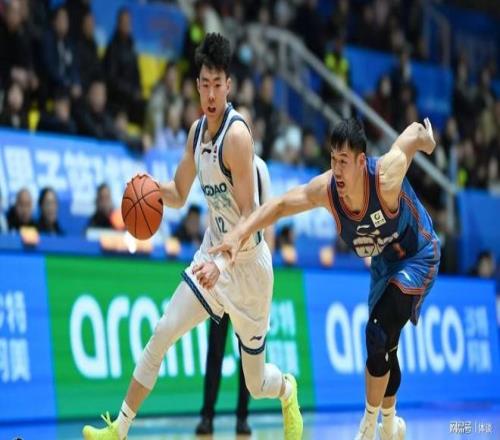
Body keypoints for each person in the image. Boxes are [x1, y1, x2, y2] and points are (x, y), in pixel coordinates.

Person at [82, 32, 302, 440]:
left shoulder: (237, 137)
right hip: (211, 257)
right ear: (196, 86)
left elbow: (250, 215)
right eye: (204, 84)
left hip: (248, 268)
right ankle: (119, 428)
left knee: (256, 383)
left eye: (218, 84)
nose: (211, 94)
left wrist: (224, 262)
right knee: (162, 332)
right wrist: (151, 189)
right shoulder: (196, 133)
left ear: (229, 85)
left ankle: (287, 389)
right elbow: (180, 194)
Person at [211, 117, 440, 440]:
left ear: (361, 161)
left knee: (378, 331)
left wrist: (427, 140)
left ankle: (367, 428)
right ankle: (390, 427)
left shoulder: (385, 176)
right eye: (333, 160)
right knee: (385, 344)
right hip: (385, 263)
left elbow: (412, 135)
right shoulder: (327, 190)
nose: (337, 169)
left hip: (419, 254)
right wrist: (238, 234)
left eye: (344, 161)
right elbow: (279, 205)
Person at [195, 151, 274, 436]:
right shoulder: (218, 162)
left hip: (250, 274)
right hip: (222, 271)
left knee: (248, 351)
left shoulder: (260, 168)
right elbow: (213, 215)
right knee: (214, 348)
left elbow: (268, 218)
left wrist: (266, 273)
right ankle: (207, 415)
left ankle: (243, 416)